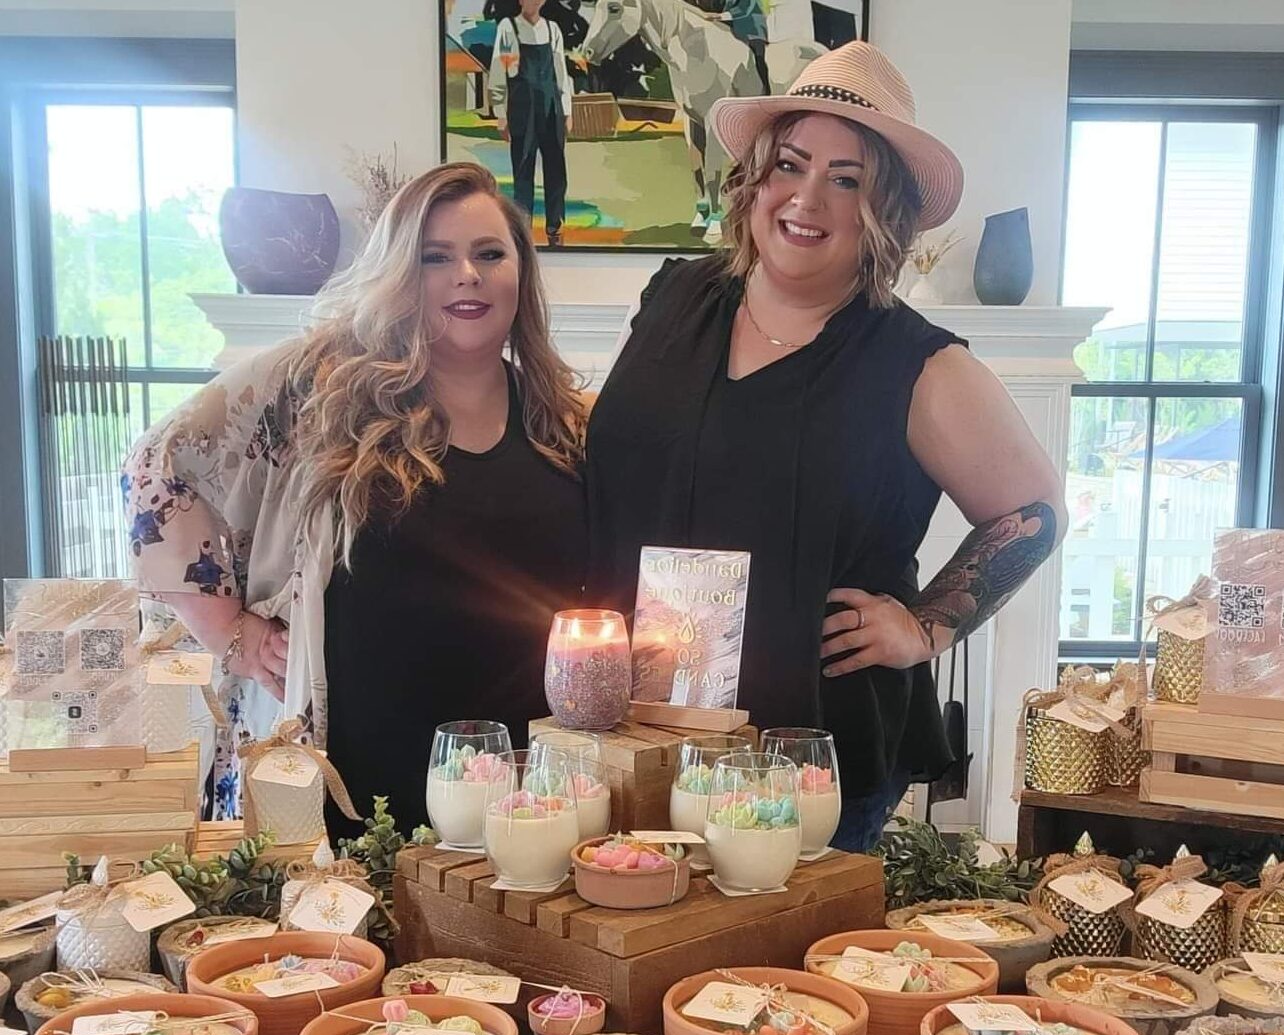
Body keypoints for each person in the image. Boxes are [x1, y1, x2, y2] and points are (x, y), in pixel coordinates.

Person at [586, 42, 1067, 853]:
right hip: (633, 730)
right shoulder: (672, 298)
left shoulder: (917, 364)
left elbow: (1036, 511)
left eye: (847, 180)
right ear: (755, 178)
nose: (807, 198)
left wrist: (927, 626)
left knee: (776, 945)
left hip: (807, 757)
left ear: (885, 212)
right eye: (791, 165)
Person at [122, 162, 588, 837]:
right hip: (361, 780)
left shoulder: (561, 418)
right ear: (399, 273)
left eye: (490, 254)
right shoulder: (319, 390)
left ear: (522, 273)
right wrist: (229, 634)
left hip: (527, 785)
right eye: (435, 257)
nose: (467, 274)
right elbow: (158, 463)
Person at [490, 0, 574, 246]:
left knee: (556, 169)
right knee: (523, 168)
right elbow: (500, 69)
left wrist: (567, 111)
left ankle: (555, 228)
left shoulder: (552, 29)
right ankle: (523, 231)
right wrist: (500, 113)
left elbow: (561, 73)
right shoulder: (509, 27)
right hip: (522, 109)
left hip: (551, 107)